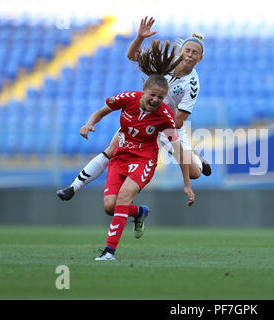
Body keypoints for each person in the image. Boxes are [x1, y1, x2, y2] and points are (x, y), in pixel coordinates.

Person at [56, 16, 210, 202]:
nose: (190, 54)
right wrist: (139, 37)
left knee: (194, 173)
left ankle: (195, 156)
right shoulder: (165, 63)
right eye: (188, 50)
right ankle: (73, 187)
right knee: (111, 150)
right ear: (181, 51)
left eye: (195, 53)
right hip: (142, 115)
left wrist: (158, 125)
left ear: (200, 58)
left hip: (167, 125)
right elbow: (132, 56)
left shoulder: (192, 84)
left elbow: (178, 121)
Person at [83, 40, 195, 261]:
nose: (155, 100)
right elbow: (101, 111)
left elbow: (179, 150)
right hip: (122, 155)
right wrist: (89, 123)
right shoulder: (128, 99)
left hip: (145, 158)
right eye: (152, 95)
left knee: (124, 197)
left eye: (160, 97)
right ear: (143, 91)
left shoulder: (164, 116)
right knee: (110, 207)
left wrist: (187, 184)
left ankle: (109, 252)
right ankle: (140, 212)